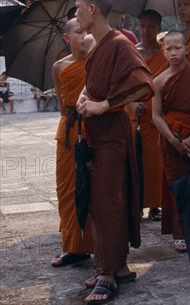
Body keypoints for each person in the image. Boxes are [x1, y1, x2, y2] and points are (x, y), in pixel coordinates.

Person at [75, 0, 153, 304]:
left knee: (108, 201)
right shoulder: (98, 46)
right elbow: (95, 82)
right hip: (97, 134)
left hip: (111, 133)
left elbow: (144, 85)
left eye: (78, 7)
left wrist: (105, 105)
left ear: (93, 9)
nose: (75, 14)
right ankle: (116, 265)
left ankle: (107, 274)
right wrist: (84, 96)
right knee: (102, 200)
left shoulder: (120, 43)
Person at [50, 18, 94, 268]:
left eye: (87, 31)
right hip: (68, 129)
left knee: (94, 188)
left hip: (93, 127)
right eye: (79, 32)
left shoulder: (98, 61)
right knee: (67, 190)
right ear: (67, 38)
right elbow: (61, 101)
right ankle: (74, 247)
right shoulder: (59, 66)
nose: (84, 36)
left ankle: (97, 244)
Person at [152, 30, 190, 253]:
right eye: (168, 48)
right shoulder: (159, 81)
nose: (173, 52)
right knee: (178, 186)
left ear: (187, 48)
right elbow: (156, 116)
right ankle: (180, 232)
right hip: (171, 139)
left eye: (177, 48)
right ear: (163, 51)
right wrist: (173, 140)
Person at [125, 10, 168, 222]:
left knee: (156, 164)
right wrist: (131, 104)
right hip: (135, 116)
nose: (146, 30)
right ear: (137, 27)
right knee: (134, 161)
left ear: (159, 28)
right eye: (142, 25)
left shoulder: (166, 52)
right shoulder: (131, 52)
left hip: (158, 117)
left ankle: (154, 204)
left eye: (151, 26)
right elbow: (121, 84)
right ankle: (136, 204)